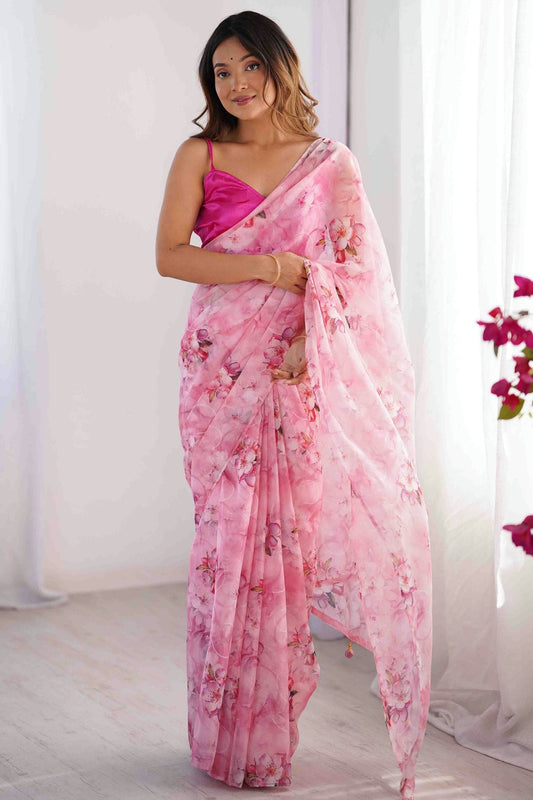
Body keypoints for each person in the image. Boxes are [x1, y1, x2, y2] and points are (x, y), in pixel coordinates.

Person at [155, 11, 432, 800]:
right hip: (221, 365)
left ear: (282, 68)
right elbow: (171, 256)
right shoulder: (201, 154)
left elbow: (354, 274)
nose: (236, 84)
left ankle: (267, 742)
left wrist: (311, 344)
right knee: (225, 547)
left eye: (250, 66)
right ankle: (221, 741)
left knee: (281, 550)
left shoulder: (330, 163)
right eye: (222, 72)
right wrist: (271, 266)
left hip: (293, 366)